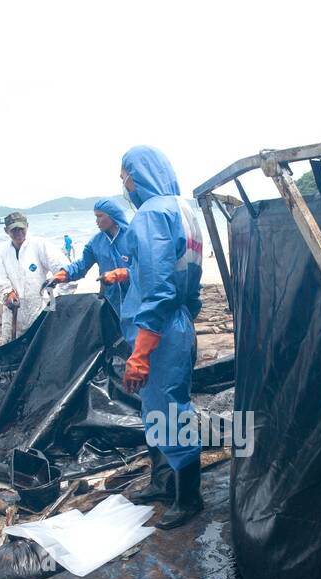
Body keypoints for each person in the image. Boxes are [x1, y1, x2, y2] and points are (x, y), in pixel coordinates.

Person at [118, 146, 205, 529]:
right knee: (160, 409)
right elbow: (188, 280)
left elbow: (157, 288)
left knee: (169, 412)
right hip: (178, 322)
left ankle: (188, 498)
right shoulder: (185, 209)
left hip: (160, 329)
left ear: (139, 174)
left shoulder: (151, 214)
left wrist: (141, 352)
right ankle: (163, 481)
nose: (124, 184)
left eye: (125, 175)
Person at [0, 212, 69, 341]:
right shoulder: (1, 251)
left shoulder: (40, 245)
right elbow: (0, 280)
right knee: (11, 352)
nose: (18, 233)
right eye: (14, 230)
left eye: (21, 228)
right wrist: (7, 294)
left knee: (41, 350)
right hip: (13, 314)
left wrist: (55, 301)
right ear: (6, 231)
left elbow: (66, 272)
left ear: (27, 226)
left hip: (39, 312)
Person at [50, 199, 132, 315]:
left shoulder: (133, 237)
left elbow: (146, 270)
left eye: (100, 216)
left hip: (136, 300)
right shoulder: (96, 242)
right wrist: (62, 275)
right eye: (95, 217)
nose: (96, 221)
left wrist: (121, 274)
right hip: (111, 302)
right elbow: (82, 265)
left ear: (113, 216)